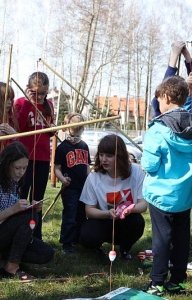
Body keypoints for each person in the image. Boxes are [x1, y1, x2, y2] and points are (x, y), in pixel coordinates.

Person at [0, 141, 54, 280]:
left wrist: (31, 208)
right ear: (6, 164)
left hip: (7, 235)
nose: (21, 172)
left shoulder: (14, 182)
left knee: (47, 253)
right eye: (17, 168)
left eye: (24, 168)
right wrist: (13, 210)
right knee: (29, 217)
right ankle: (11, 266)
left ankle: (1, 259)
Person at [141, 76, 192, 296]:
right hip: (185, 196)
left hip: (161, 196)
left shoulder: (157, 129)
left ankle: (157, 283)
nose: (158, 104)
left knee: (161, 240)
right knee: (181, 239)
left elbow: (150, 166)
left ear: (167, 97)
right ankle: (178, 281)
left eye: (159, 100)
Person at [80, 134, 147, 259]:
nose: (103, 159)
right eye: (101, 155)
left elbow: (143, 205)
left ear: (120, 156)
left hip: (126, 220)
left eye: (109, 156)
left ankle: (125, 249)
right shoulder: (94, 177)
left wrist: (129, 209)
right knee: (87, 236)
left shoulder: (136, 172)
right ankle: (96, 248)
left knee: (137, 221)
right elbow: (89, 211)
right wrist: (107, 213)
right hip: (103, 220)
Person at [14, 71, 55, 240]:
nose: (40, 97)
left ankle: (36, 236)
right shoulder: (20, 102)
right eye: (36, 93)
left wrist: (52, 128)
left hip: (43, 158)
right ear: (28, 89)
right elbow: (19, 127)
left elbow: (50, 132)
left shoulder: (49, 105)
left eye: (43, 93)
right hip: (24, 158)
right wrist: (29, 103)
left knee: (37, 200)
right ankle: (18, 232)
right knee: (21, 196)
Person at [54, 113, 91, 254]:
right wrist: (62, 179)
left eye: (78, 135)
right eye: (72, 135)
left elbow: (87, 166)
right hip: (70, 188)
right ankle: (66, 242)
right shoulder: (62, 148)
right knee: (70, 214)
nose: (75, 139)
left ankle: (79, 238)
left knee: (82, 214)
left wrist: (90, 180)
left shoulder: (84, 146)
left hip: (83, 187)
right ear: (67, 130)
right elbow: (57, 168)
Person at [151, 41, 192, 117]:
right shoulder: (187, 114)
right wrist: (186, 55)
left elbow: (165, 86)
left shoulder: (159, 118)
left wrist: (175, 55)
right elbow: (165, 86)